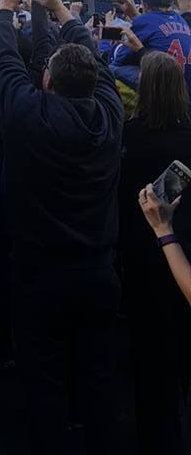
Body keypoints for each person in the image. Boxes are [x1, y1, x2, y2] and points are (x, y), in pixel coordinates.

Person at [0, 0, 123, 455]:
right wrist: (63, 12)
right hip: (98, 269)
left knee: (43, 382)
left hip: (39, 271)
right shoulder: (110, 116)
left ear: (46, 81)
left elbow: (2, 65)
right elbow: (96, 62)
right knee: (100, 377)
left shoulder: (26, 119)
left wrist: (4, 11)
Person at [120, 50, 191, 454]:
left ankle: (153, 433)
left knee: (149, 350)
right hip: (184, 257)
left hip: (143, 258)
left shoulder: (128, 137)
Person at [113, 0, 191, 93]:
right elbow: (157, 26)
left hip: (164, 86)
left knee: (111, 69)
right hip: (184, 88)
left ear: (145, 4)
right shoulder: (181, 19)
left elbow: (120, 59)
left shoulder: (144, 21)